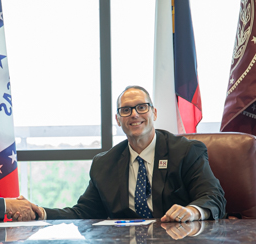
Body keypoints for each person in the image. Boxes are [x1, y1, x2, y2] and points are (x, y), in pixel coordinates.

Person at [31, 85, 226, 222]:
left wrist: (192, 211)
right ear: (118, 119)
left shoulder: (186, 151)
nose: (134, 114)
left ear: (154, 113)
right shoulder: (104, 164)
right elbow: (84, 212)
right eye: (126, 110)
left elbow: (213, 196)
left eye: (142, 107)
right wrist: (41, 212)